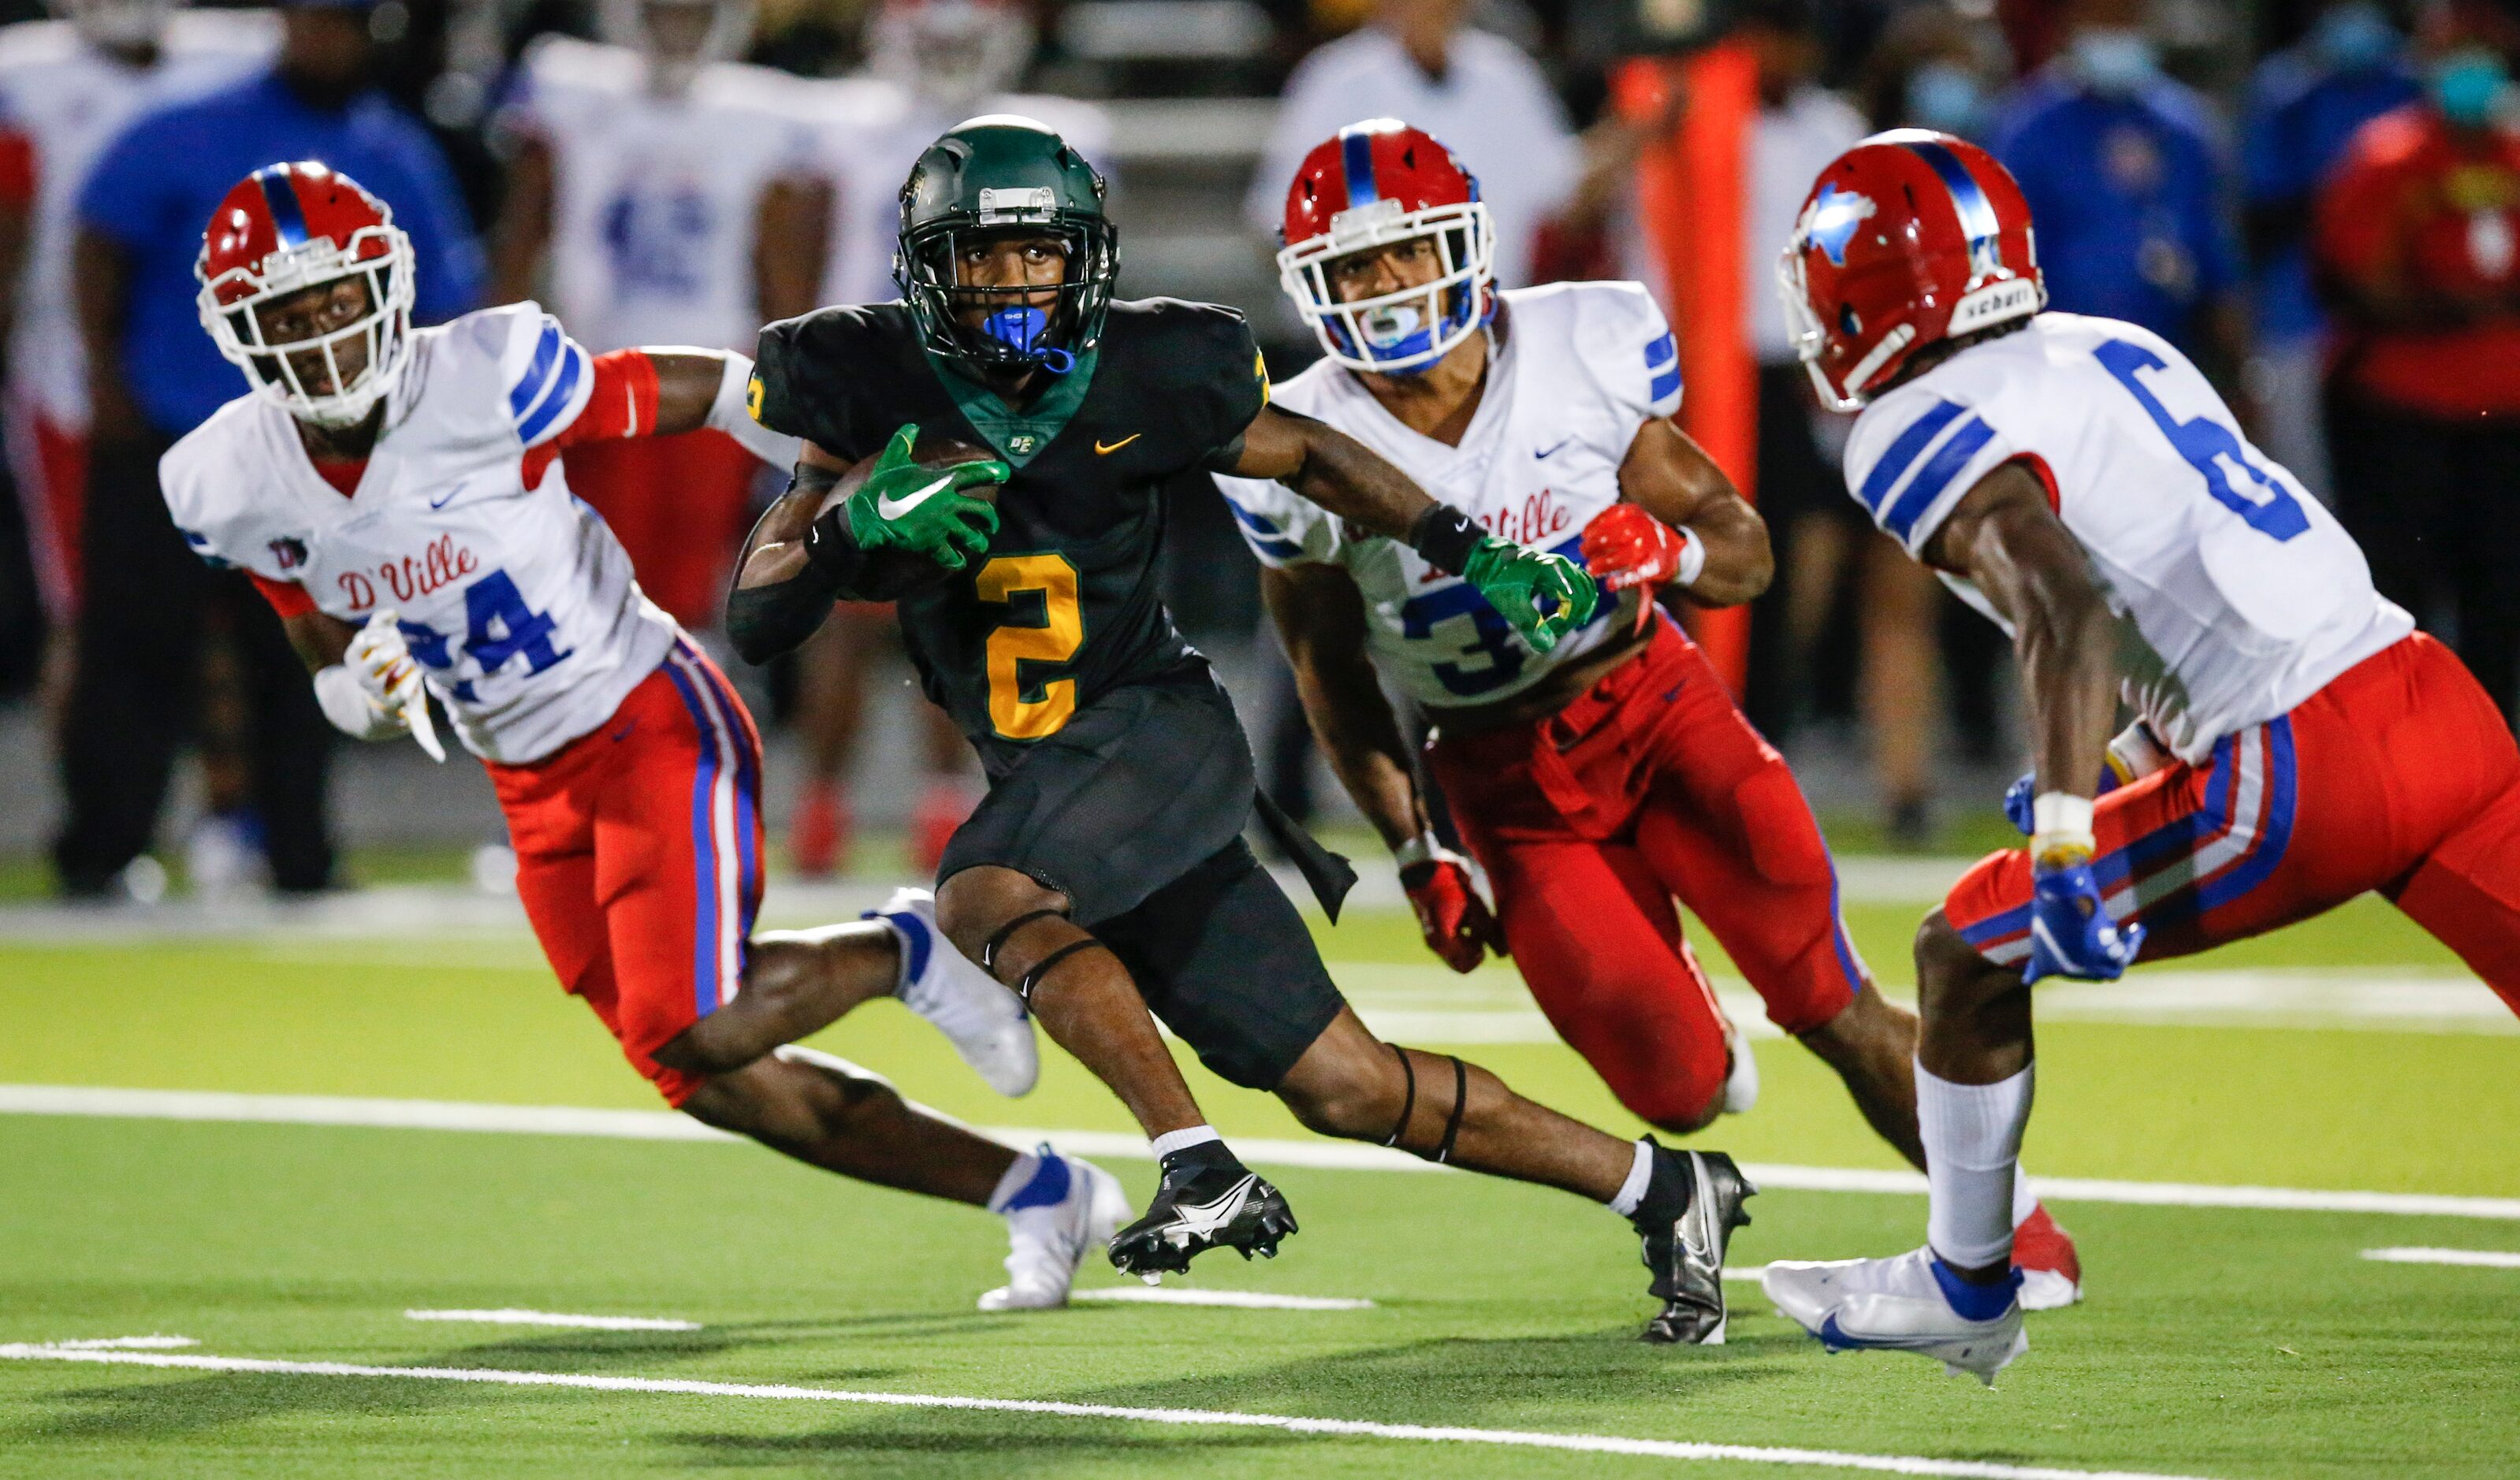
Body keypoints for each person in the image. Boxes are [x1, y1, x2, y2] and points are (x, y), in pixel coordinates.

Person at [732, 115, 1755, 1342]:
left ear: (1086, 256)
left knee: (979, 892)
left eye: (1036, 255)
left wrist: (1468, 548)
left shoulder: (1152, 364)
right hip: (1067, 787)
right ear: (926, 266)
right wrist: (844, 537)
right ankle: (1669, 1188)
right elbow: (760, 612)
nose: (1012, 284)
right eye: (981, 258)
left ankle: (1195, 1162)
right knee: (1346, 1083)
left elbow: (1314, 454)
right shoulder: (861, 377)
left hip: (1153, 733)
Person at [165, 161, 1122, 1314]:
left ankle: (907, 950)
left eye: (334, 300)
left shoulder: (483, 378)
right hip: (526, 778)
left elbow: (714, 388)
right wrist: (346, 679)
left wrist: (839, 482)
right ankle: (1037, 1190)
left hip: (644, 714)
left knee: (699, 1023)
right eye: (286, 315)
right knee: (701, 1074)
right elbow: (298, 592)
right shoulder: (224, 476)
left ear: (391, 283)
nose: (320, 339)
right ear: (240, 332)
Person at [1219, 118, 2082, 1310]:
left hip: (1658, 708)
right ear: (1313, 286)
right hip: (1499, 776)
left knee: (1828, 995)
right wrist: (1416, 844)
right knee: (1677, 1090)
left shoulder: (1584, 342)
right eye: (1355, 268)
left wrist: (1661, 547)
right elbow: (1328, 670)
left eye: (1406, 253)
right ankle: (1688, 1011)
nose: (1386, 287)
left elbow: (1746, 554)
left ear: (1462, 245)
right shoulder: (1301, 438)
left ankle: (2010, 1231)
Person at [1763, 130, 2520, 1381]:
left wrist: (2065, 826)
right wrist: (2123, 763)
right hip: (2430, 698)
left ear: (1872, 289)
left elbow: (2070, 608)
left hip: (2300, 767)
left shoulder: (1905, 422)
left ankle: (1973, 1278)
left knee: (1964, 947)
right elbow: (2182, 571)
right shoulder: (2111, 343)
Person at [56, 0, 482, 898]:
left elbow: (438, 304)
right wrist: (106, 378)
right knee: (135, 652)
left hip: (315, 460)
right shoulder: (188, 128)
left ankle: (300, 856)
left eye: (346, 26)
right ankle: (104, 850)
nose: (328, 40)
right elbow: (100, 245)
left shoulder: (392, 152)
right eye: (317, 22)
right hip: (174, 437)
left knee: (309, 659)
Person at [777, 0, 1108, 876]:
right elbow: (794, 241)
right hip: (874, 380)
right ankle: (824, 808)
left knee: (958, 596)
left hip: (987, 385)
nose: (953, 58)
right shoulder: (845, 127)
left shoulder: (1050, 132)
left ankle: (939, 805)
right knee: (849, 609)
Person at [488, 0, 832, 636]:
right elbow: (522, 234)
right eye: (663, 12)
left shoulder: (759, 117)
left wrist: (797, 384)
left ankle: (667, 717)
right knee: (593, 568)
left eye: (695, 14)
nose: (678, 27)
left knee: (689, 580)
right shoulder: (572, 89)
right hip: (600, 365)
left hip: (713, 376)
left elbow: (777, 263)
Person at [0, 0, 270, 688]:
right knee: (90, 609)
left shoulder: (237, 56)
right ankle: (100, 790)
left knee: (234, 605)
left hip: (216, 366)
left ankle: (232, 793)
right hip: (72, 370)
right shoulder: (27, 75)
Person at [2316, 0, 2520, 724]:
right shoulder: (2389, 156)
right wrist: (2456, 305)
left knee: (2500, 597)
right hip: (2406, 409)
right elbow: (2356, 280)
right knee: (2401, 593)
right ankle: (2399, 739)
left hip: (2503, 417)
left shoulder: (2512, 152)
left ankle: (2493, 747)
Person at [1988, 0, 2246, 381]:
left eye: (2126, 14)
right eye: (2102, 16)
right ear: (2073, 22)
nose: (2115, 29)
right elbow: (2003, 259)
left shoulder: (2185, 127)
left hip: (2170, 360)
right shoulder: (2027, 130)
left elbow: (2217, 258)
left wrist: (2238, 368)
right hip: (2055, 362)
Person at [1246, 0, 1576, 292]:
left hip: (1488, 320)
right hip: (1370, 329)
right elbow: (1278, 222)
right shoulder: (1336, 79)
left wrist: (1622, 131)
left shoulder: (1506, 73)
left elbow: (1562, 194)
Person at [2242, 0, 2420, 501]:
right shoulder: (2285, 91)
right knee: (2303, 479)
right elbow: (2266, 209)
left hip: (2397, 323)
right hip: (2300, 310)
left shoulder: (2413, 84)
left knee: (2395, 479)